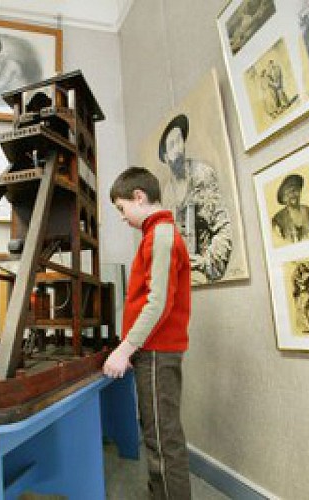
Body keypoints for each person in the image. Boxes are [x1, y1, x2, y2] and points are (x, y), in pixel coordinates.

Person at [103, 166, 192, 499]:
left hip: (157, 352)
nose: (123, 218)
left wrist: (125, 348)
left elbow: (157, 304)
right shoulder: (155, 235)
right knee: (157, 433)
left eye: (122, 209)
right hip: (153, 351)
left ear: (138, 197)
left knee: (162, 440)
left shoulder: (162, 235)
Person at [158, 113, 233, 282]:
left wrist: (206, 263)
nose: (179, 148)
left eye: (180, 140)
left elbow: (224, 227)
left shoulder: (202, 174)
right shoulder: (167, 191)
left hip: (205, 271)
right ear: (165, 157)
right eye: (172, 145)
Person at [271, 173, 309, 244]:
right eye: (288, 193)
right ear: (283, 198)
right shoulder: (278, 219)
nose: (292, 195)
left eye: (295, 191)